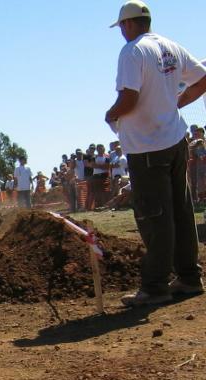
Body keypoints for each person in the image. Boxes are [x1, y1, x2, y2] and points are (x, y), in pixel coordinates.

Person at [105, 0, 206, 306]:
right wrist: (174, 105)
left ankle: (154, 286)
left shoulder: (133, 51)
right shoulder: (170, 47)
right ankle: (189, 277)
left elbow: (130, 97)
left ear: (128, 24)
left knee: (154, 215)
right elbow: (201, 80)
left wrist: (111, 115)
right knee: (181, 211)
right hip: (175, 139)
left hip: (147, 145)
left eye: (122, 26)